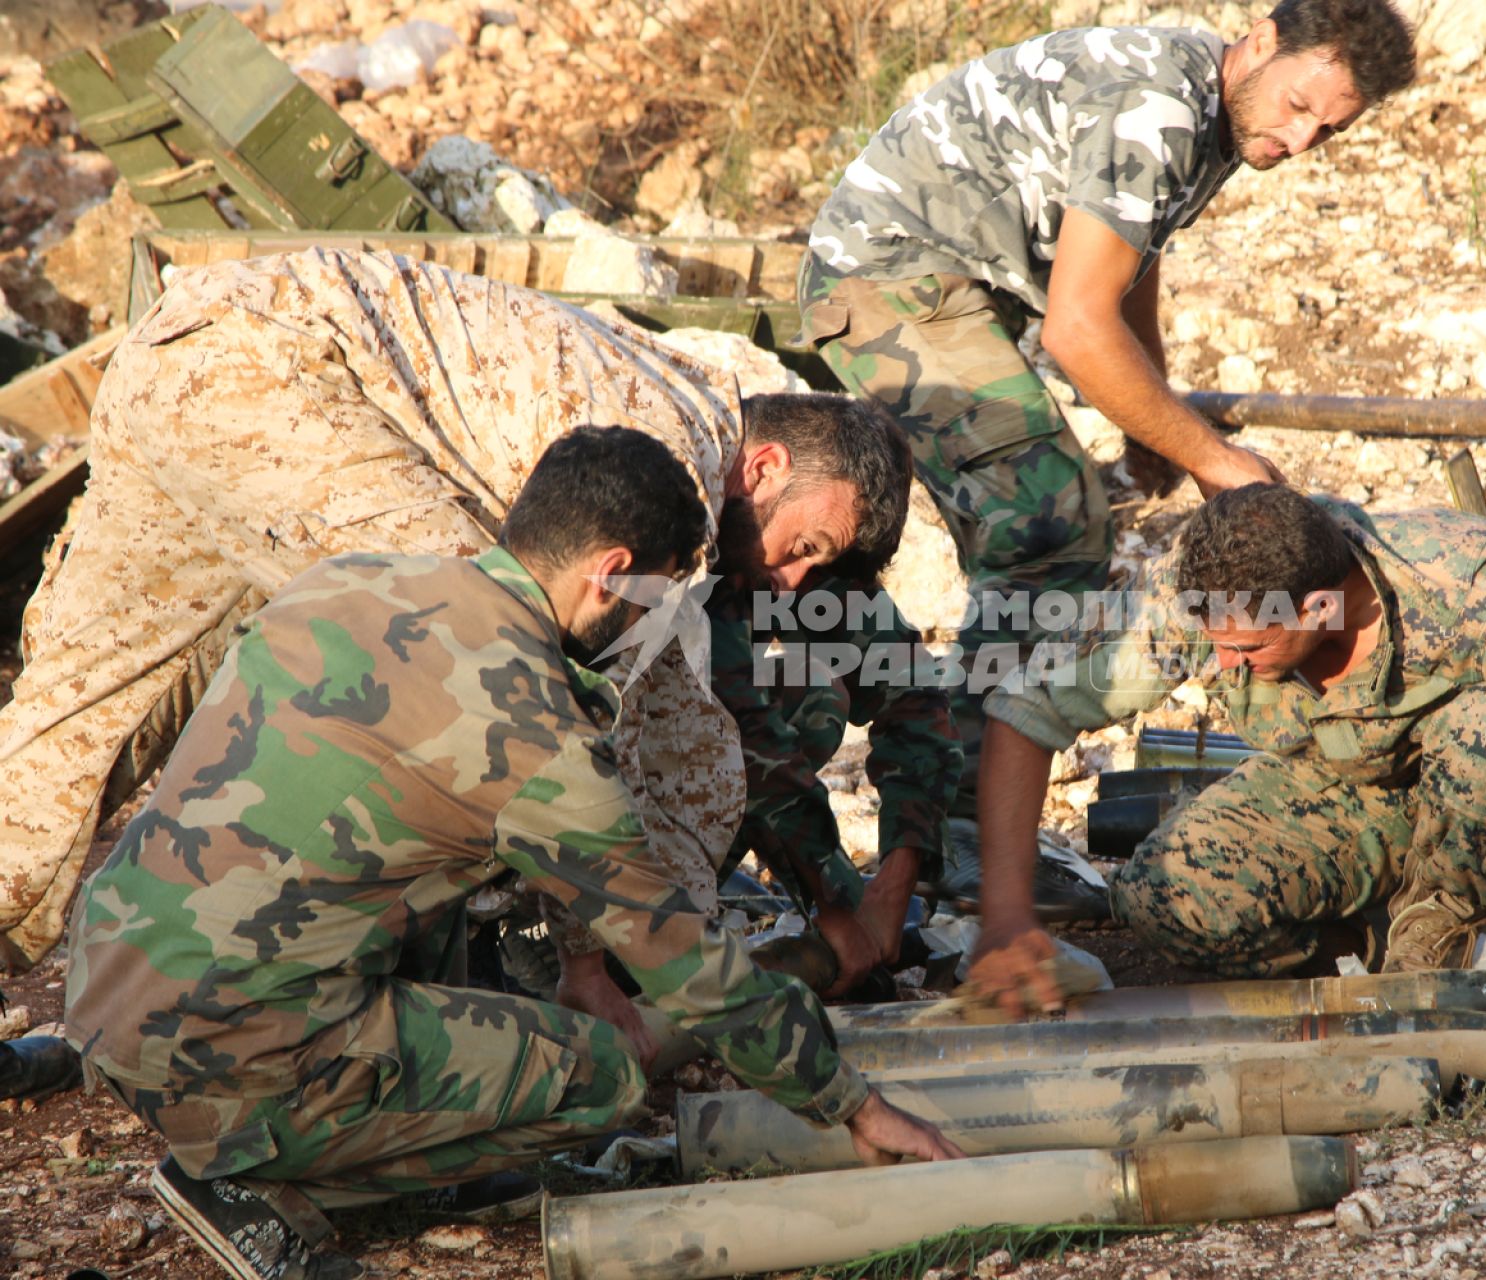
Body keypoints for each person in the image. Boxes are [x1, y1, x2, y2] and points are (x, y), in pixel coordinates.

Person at [63, 427, 961, 1280]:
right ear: (612, 575)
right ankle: (255, 1174)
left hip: (110, 985)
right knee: (605, 1078)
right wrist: (854, 1107)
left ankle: (349, 1137)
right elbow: (695, 971)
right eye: (663, 593)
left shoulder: (349, 580)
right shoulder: (531, 734)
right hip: (232, 1053)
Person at [0, 247, 910, 972]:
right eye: (804, 549)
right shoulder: (666, 465)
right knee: (464, 658)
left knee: (72, 730)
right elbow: (593, 731)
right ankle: (403, 986)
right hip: (271, 379)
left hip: (177, 349)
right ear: (767, 469)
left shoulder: (679, 384)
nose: (788, 582)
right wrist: (604, 960)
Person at [796, 0, 1418, 807]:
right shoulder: (1159, 105)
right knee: (1048, 523)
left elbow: (1129, 250)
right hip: (887, 274)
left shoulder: (1215, 104)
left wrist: (1153, 403)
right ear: (1261, 42)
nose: (1300, 143)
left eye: (1328, 132)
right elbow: (1078, 329)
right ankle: (962, 831)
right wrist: (1215, 458)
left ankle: (933, 788)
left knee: (1023, 527)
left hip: (937, 281)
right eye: (1300, 109)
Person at [965, 485, 1486, 1033]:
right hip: (1355, 784)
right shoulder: (1213, 594)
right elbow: (1028, 713)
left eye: (1247, 649)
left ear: (1319, 608)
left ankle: (1445, 931)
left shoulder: (1471, 591)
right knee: (1167, 897)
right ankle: (1374, 940)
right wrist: (1004, 918)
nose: (1222, 664)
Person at [708, 565, 961, 993]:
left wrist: (896, 880)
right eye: (806, 548)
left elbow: (911, 686)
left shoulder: (807, 546)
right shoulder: (692, 550)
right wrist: (837, 906)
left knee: (813, 692)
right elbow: (752, 741)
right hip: (585, 813)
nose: (795, 575)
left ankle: (675, 912)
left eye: (820, 552)